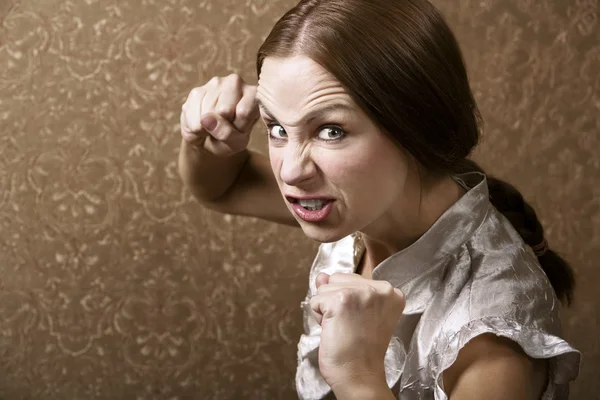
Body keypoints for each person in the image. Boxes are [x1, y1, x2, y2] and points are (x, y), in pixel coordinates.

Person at [178, 0, 580, 398]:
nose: (289, 171)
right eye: (277, 127)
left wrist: (357, 378)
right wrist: (205, 139)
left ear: (416, 128)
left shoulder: (491, 345)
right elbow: (225, 187)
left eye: (331, 131)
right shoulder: (361, 199)